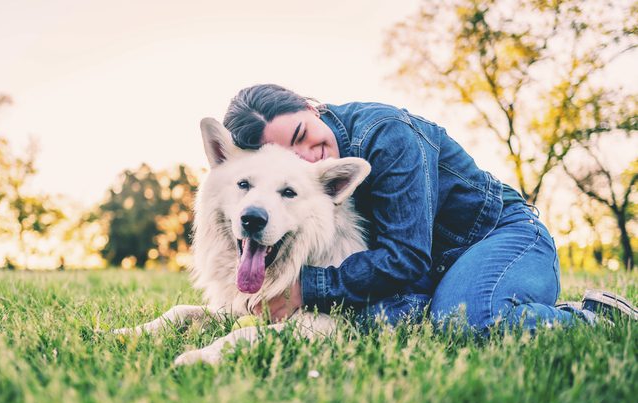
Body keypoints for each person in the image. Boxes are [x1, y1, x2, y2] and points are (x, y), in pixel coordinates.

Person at [222, 84, 636, 333]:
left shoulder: (385, 135)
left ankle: (593, 317)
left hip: (502, 236)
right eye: (286, 154)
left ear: (311, 108)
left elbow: (406, 256)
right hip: (431, 273)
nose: (307, 157)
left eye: (303, 134)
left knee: (467, 323)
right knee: (379, 321)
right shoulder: (303, 184)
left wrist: (308, 288)